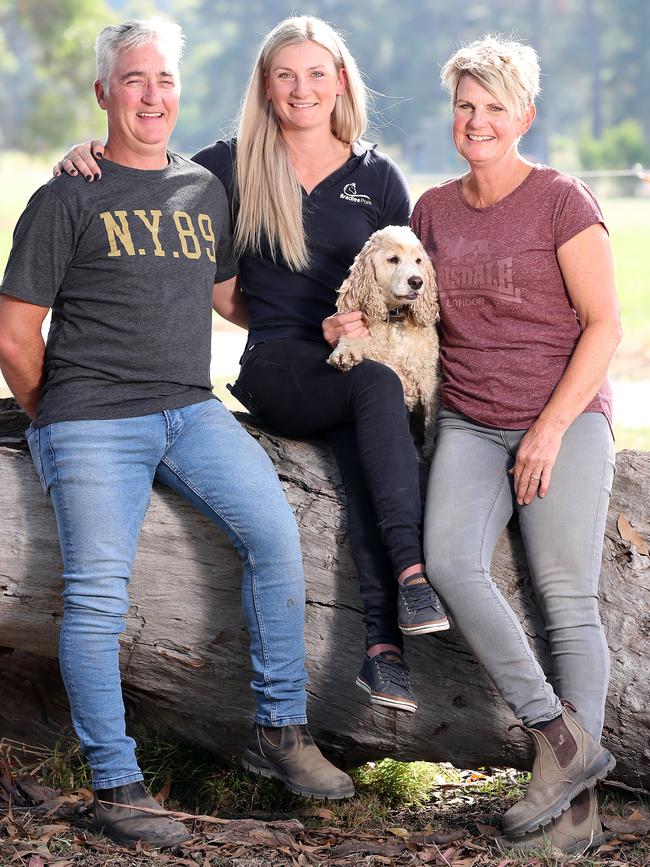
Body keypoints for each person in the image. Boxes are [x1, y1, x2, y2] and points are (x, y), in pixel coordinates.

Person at [0, 18, 354, 849]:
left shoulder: (203, 189)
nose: (152, 95)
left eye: (164, 80)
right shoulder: (66, 196)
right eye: (134, 80)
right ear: (104, 94)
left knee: (274, 535)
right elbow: (16, 333)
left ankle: (278, 729)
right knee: (96, 596)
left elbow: (228, 294)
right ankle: (118, 783)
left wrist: (331, 318)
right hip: (91, 416)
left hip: (190, 410)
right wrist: (57, 413)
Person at [54, 15, 450, 716]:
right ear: (266, 87)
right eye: (286, 74)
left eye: (317, 73)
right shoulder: (226, 166)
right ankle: (410, 579)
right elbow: (145, 169)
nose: (303, 89)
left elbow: (407, 286)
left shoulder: (378, 177)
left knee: (368, 431)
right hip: (278, 366)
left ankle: (383, 652)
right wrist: (84, 152)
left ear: (341, 82)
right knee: (375, 387)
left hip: (356, 367)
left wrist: (356, 327)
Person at [410, 35, 620, 854]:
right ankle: (559, 739)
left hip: (562, 413)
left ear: (523, 115)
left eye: (495, 106)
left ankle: (571, 818)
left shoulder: (563, 202)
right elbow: (419, 312)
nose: (477, 120)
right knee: (451, 561)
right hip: (469, 416)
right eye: (466, 104)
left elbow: (604, 327)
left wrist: (551, 430)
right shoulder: (432, 210)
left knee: (566, 596)